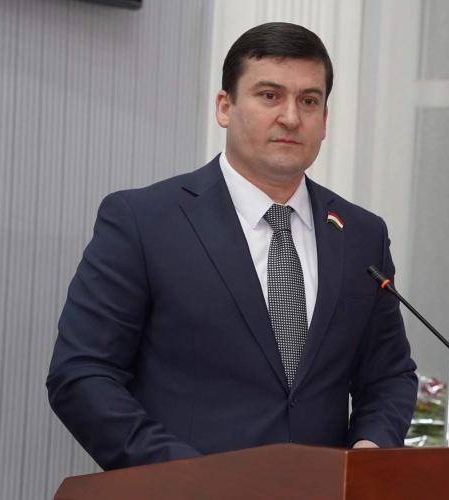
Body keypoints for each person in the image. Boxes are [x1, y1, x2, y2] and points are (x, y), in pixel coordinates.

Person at [46, 22, 418, 471]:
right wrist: (187, 475)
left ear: (324, 119)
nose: (291, 117)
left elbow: (389, 376)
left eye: (309, 101)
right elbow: (82, 374)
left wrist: (370, 453)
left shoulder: (361, 234)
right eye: (269, 95)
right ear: (225, 107)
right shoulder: (144, 221)